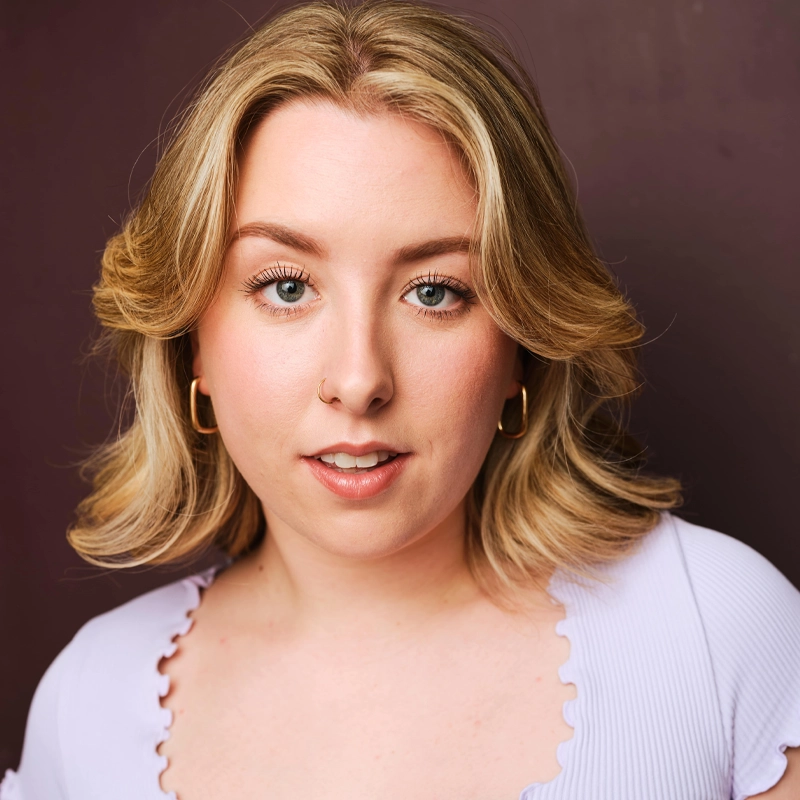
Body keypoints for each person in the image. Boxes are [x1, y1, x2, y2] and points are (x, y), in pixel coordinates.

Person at [3, 1, 799, 798]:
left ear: (521, 343)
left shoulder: (718, 632)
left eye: (434, 291)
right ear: (191, 344)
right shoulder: (89, 709)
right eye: (286, 286)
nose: (357, 379)